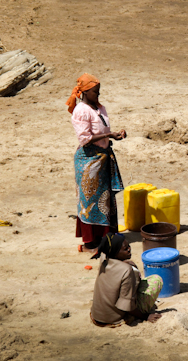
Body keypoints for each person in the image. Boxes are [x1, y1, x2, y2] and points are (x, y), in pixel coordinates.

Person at [66, 74, 127, 254]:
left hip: (103, 158)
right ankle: (89, 244)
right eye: (95, 92)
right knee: (90, 201)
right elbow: (85, 138)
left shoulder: (100, 108)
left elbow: (103, 131)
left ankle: (104, 239)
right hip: (88, 161)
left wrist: (116, 134)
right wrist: (108, 135)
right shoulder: (81, 111)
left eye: (99, 92)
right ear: (85, 92)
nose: (98, 96)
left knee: (105, 200)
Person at [90, 233, 163, 326]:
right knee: (156, 280)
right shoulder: (127, 271)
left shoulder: (104, 258)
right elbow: (126, 306)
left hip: (97, 315)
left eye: (129, 246)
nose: (129, 249)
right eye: (125, 249)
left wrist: (124, 262)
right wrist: (146, 316)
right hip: (113, 318)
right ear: (116, 253)